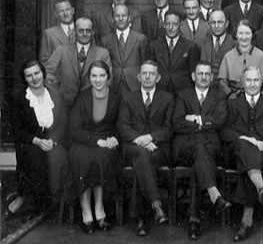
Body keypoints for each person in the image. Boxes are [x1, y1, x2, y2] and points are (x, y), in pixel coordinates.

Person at [173, 61, 230, 240]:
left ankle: (194, 220)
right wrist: (205, 123)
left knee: (201, 158)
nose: (204, 77)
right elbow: (177, 122)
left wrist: (195, 119)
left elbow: (220, 120)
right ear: (193, 76)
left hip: (210, 148)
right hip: (185, 147)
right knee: (200, 150)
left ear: (212, 77)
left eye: (207, 74)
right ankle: (213, 193)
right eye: (200, 74)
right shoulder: (183, 95)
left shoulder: (219, 95)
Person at [7, 60, 71, 218]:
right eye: (29, 75)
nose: (34, 78)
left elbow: (63, 122)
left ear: (43, 73)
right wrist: (37, 141)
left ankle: (56, 201)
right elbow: (17, 130)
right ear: (24, 78)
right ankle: (33, 201)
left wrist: (53, 140)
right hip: (30, 141)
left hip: (52, 139)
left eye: (37, 73)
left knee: (59, 157)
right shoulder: (20, 98)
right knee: (34, 157)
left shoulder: (55, 95)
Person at [117, 60, 173, 236]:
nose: (148, 77)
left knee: (140, 166)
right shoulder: (128, 97)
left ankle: (141, 219)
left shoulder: (167, 98)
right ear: (139, 76)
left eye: (152, 74)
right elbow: (123, 125)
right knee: (141, 157)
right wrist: (140, 140)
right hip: (133, 147)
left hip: (157, 148)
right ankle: (156, 205)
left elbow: (169, 128)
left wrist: (151, 137)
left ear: (158, 77)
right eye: (144, 73)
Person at [221, 67, 263, 242]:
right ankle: (261, 189)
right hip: (237, 150)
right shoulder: (232, 104)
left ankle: (247, 221)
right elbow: (224, 131)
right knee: (245, 149)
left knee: (248, 165)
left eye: (256, 80)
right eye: (249, 80)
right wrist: (245, 138)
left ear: (261, 82)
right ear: (243, 83)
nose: (252, 84)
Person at [69, 61, 120, 234]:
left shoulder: (116, 97)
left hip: (106, 143)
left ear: (108, 77)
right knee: (83, 158)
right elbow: (74, 129)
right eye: (94, 76)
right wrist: (95, 141)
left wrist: (115, 138)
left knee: (101, 158)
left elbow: (120, 125)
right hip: (84, 141)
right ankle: (86, 211)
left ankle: (99, 208)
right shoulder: (81, 97)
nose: (98, 80)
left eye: (102, 76)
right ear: (89, 78)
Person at [45, 17, 112, 108]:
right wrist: (57, 93)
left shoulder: (102, 53)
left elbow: (108, 79)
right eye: (81, 31)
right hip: (65, 104)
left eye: (88, 31)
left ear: (93, 32)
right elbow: (47, 73)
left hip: (92, 105)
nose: (84, 34)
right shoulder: (61, 50)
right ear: (74, 31)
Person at [147, 10, 200, 94]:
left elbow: (193, 73)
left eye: (174, 24)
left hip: (183, 92)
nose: (170, 27)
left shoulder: (190, 46)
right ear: (164, 25)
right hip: (160, 91)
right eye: (168, 24)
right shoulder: (154, 46)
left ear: (181, 25)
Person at [218, 20, 263, 98]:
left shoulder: (261, 55)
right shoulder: (228, 56)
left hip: (256, 98)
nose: (244, 37)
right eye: (240, 33)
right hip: (233, 98)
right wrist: (230, 95)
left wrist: (262, 98)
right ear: (236, 35)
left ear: (252, 35)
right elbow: (222, 82)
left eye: (247, 33)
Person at [101, 5, 148, 96]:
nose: (121, 18)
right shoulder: (106, 40)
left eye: (124, 15)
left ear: (129, 18)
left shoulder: (140, 39)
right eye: (117, 16)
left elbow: (144, 63)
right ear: (112, 19)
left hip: (134, 84)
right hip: (114, 84)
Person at [199, 10, 236, 79]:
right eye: (213, 22)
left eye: (220, 22)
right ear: (208, 24)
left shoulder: (235, 44)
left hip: (227, 85)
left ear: (227, 24)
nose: (216, 26)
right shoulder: (201, 43)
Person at [39, 0, 76, 64]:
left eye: (67, 9)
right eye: (61, 11)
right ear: (56, 14)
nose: (65, 13)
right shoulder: (49, 34)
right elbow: (45, 61)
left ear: (72, 10)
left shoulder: (84, 30)